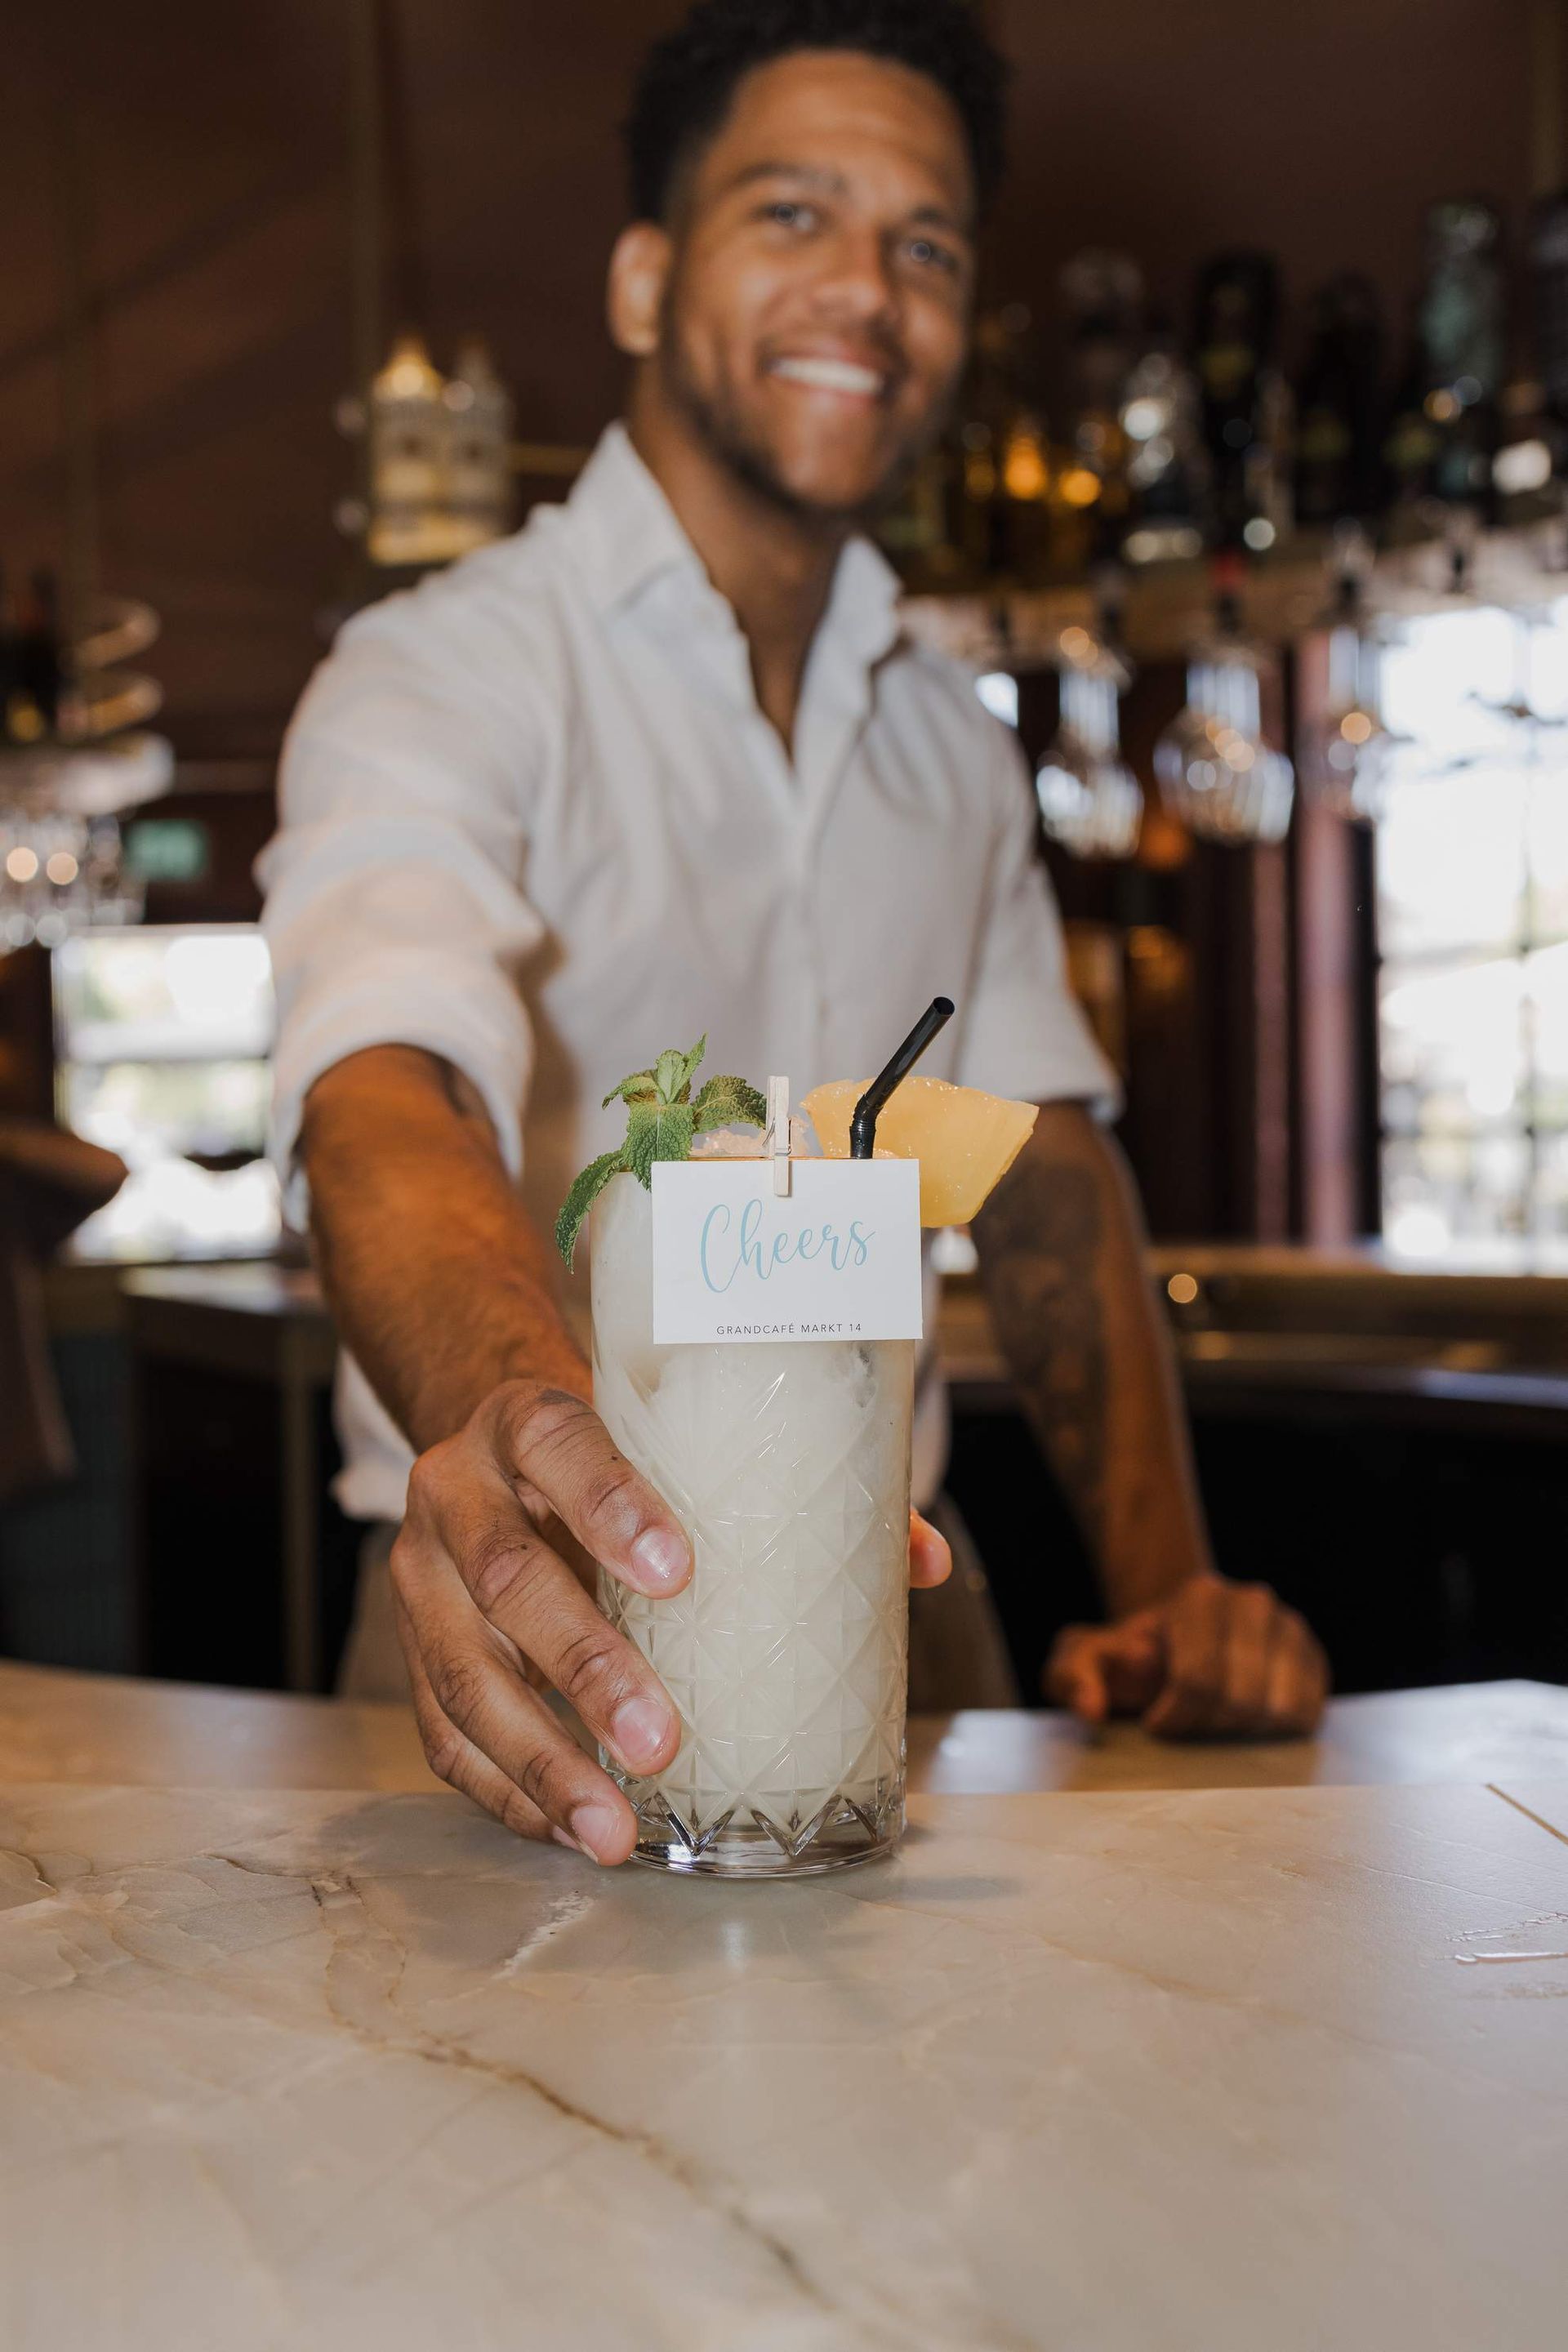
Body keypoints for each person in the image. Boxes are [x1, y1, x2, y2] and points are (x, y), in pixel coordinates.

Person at [261, 0, 1328, 1865]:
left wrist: (1170, 1592)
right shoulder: (437, 673)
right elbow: (388, 1089)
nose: (867, 289)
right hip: (521, 1594)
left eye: (924, 245)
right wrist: (533, 1448)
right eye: (793, 216)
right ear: (643, 276)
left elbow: (1045, 1173)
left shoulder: (945, 741)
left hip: (901, 1595)